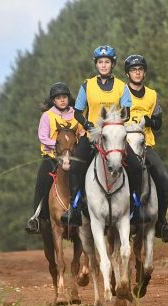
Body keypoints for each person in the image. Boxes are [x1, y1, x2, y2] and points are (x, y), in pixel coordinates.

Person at [60, 45, 144, 226]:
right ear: (96, 64)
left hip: (113, 135)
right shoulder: (87, 85)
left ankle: (136, 208)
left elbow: (126, 113)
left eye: (107, 62)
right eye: (100, 62)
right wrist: (88, 125)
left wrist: (112, 124)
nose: (103, 65)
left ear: (112, 64)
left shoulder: (122, 87)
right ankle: (74, 208)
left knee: (136, 167)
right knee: (75, 166)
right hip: (91, 135)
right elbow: (77, 112)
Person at [124, 54, 168, 243]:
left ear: (144, 73)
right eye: (133, 70)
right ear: (128, 74)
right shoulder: (120, 94)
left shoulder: (152, 95)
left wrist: (148, 120)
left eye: (140, 70)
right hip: (123, 146)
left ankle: (161, 222)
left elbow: (158, 123)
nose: (137, 73)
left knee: (164, 178)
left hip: (146, 145)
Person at [25, 82, 81, 232]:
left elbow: (82, 133)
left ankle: (88, 213)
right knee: (42, 183)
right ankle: (36, 218)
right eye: (58, 98)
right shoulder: (47, 116)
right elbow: (42, 137)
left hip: (73, 158)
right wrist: (58, 146)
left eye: (64, 97)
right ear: (53, 101)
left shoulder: (77, 114)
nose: (62, 100)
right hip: (51, 157)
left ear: (69, 98)